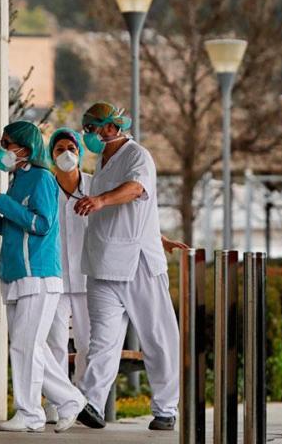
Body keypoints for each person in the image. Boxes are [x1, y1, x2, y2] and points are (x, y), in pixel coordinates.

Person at [73, 103, 186, 431]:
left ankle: (166, 408)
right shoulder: (102, 160)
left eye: (92, 129)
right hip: (102, 263)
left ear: (111, 128)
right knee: (103, 340)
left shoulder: (138, 156)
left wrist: (100, 200)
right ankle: (91, 403)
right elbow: (136, 215)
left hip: (138, 263)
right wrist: (161, 236)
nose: (88, 135)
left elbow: (136, 191)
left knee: (157, 337)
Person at [0, 121, 86, 433]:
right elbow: (18, 228)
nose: (3, 149)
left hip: (37, 275)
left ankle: (30, 413)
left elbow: (41, 225)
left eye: (7, 143)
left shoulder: (41, 178)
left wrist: (4, 204)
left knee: (25, 347)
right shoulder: (19, 179)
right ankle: (69, 400)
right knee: (30, 347)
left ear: (24, 148)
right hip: (15, 274)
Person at [43, 128, 93, 424]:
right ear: (51, 154)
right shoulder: (46, 187)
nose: (66, 153)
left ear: (79, 152)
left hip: (88, 278)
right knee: (55, 344)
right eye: (59, 148)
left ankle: (85, 402)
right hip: (55, 277)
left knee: (89, 345)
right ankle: (56, 403)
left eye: (71, 147)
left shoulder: (94, 186)